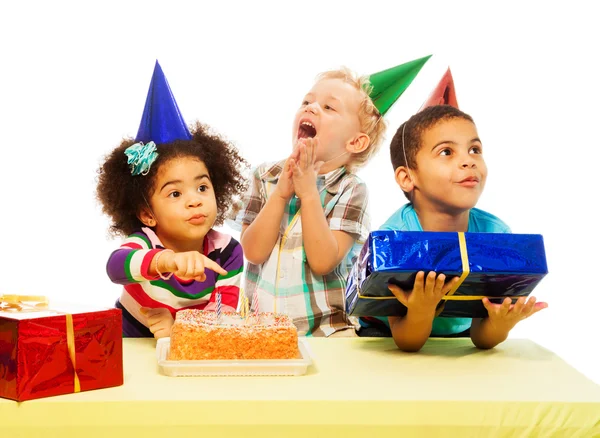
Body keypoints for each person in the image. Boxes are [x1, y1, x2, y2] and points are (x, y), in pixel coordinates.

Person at [360, 105, 547, 350]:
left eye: (474, 150)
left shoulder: (496, 237)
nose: (468, 161)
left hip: (459, 334)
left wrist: (501, 323)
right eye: (447, 152)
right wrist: (422, 310)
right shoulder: (395, 243)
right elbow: (407, 342)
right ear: (407, 178)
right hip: (389, 334)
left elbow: (481, 338)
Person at [96, 61, 248, 338]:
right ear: (147, 214)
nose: (194, 201)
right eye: (175, 194)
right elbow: (116, 266)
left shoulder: (227, 252)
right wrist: (166, 261)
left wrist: (176, 330)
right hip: (128, 345)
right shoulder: (144, 243)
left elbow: (221, 321)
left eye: (202, 187)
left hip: (188, 351)